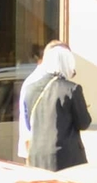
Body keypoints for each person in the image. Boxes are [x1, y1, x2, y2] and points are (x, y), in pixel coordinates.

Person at [24, 42, 90, 172]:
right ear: (68, 64)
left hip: (37, 156)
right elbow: (84, 123)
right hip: (66, 158)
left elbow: (29, 123)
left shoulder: (30, 89)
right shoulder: (71, 89)